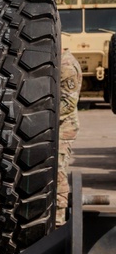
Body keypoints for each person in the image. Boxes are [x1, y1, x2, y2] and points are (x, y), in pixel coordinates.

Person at [56, 47, 82, 225]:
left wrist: (39, 118)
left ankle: (59, 219)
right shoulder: (58, 60)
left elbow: (68, 103)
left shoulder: (66, 64)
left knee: (58, 171)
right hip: (55, 127)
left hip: (63, 128)